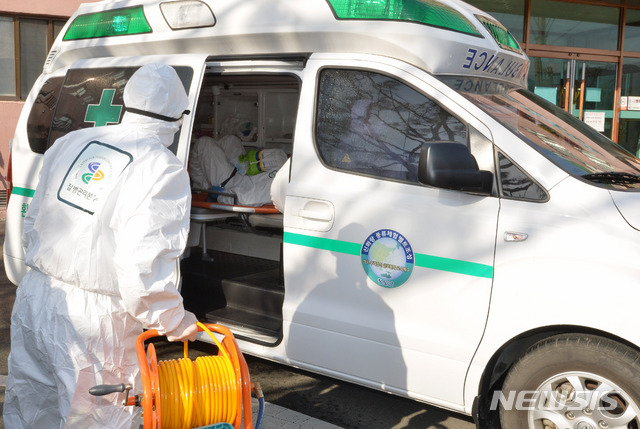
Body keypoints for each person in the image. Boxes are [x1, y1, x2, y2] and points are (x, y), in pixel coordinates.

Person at [3, 63, 199, 428]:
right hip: (95, 321)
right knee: (99, 418)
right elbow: (140, 268)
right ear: (178, 115)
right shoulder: (162, 168)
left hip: (37, 294)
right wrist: (174, 320)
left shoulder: (71, 142)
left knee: (32, 404)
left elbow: (35, 218)